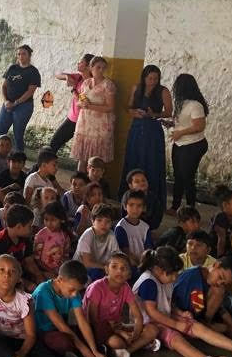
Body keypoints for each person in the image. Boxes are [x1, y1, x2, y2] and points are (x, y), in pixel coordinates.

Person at [122, 65, 171, 231]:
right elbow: (128, 107)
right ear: (144, 77)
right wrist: (134, 112)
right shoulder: (137, 88)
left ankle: (152, 199)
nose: (152, 81)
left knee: (152, 162)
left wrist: (154, 114)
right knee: (134, 159)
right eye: (150, 78)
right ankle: (131, 196)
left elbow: (169, 112)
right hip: (137, 128)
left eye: (155, 78)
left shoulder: (163, 91)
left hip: (152, 132)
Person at [167, 73, 209, 214]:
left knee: (187, 178)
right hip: (180, 144)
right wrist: (170, 124)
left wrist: (180, 133)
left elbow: (199, 126)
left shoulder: (195, 105)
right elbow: (183, 122)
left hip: (193, 145)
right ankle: (175, 206)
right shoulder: (181, 104)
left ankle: (190, 209)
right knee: (178, 176)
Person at [0, 44, 40, 153]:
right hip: (8, 104)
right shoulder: (12, 68)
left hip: (23, 106)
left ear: (29, 56)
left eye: (23, 54)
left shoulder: (33, 72)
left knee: (18, 134)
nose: (20, 56)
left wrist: (15, 103)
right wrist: (6, 101)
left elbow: (30, 91)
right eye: (18, 54)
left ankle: (19, 158)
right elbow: (4, 86)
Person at [71, 56, 115, 167]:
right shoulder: (86, 83)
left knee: (97, 160)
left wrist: (89, 106)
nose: (101, 70)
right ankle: (80, 177)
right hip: (85, 123)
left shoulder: (108, 85)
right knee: (82, 157)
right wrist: (81, 103)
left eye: (103, 68)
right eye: (98, 67)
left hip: (100, 126)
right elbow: (81, 100)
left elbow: (110, 107)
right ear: (91, 68)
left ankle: (95, 177)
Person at [49, 53, 93, 154]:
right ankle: (46, 163)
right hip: (72, 119)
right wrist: (66, 76)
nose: (78, 63)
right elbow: (57, 74)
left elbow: (84, 102)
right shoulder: (78, 77)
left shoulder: (92, 83)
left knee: (82, 152)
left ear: (88, 67)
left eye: (81, 62)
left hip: (83, 121)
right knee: (54, 144)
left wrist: (74, 90)